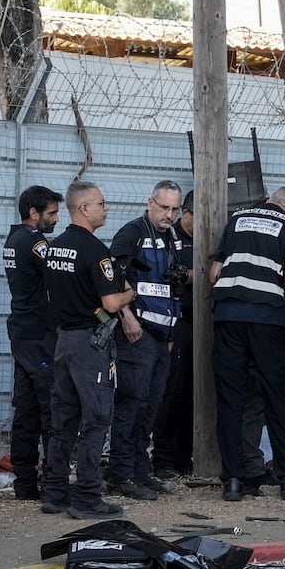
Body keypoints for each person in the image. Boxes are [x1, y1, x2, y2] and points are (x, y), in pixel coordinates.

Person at [41, 181, 136, 519]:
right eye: (101, 203)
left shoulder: (56, 247)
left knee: (63, 420)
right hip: (90, 344)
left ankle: (54, 493)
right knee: (96, 419)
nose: (106, 208)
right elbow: (111, 301)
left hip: (64, 341)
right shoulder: (95, 250)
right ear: (84, 208)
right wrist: (130, 293)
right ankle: (86, 497)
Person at [210, 188, 285, 501]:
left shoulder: (236, 219)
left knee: (230, 398)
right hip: (267, 319)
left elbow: (214, 272)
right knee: (275, 396)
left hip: (228, 315)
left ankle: (234, 481)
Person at [104, 180, 189, 501]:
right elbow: (111, 275)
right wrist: (126, 317)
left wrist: (169, 335)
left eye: (174, 209)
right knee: (132, 403)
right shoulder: (132, 232)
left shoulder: (171, 238)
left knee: (151, 406)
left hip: (161, 336)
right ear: (150, 202)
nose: (169, 215)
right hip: (135, 333)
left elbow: (172, 288)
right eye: (164, 207)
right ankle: (120, 474)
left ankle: (140, 471)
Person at [4, 184, 62, 501]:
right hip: (39, 337)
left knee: (25, 412)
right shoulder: (33, 241)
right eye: (51, 213)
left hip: (23, 334)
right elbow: (59, 272)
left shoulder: (13, 239)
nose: (56, 219)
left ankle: (25, 484)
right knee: (50, 411)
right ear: (33, 213)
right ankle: (53, 483)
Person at [150, 191, 195, 478]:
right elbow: (168, 274)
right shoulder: (169, 237)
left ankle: (183, 457)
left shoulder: (211, 238)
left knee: (194, 393)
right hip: (172, 324)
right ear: (188, 214)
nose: (173, 214)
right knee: (171, 393)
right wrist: (196, 273)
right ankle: (164, 460)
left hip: (200, 326)